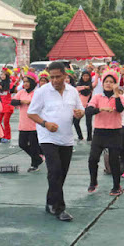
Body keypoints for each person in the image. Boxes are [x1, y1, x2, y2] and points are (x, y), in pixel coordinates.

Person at [27, 61, 85, 222]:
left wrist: (80, 113)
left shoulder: (72, 91)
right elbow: (31, 113)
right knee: (55, 171)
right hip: (47, 138)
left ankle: (50, 201)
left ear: (65, 75)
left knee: (61, 174)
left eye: (58, 77)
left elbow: (80, 110)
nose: (54, 80)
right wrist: (45, 124)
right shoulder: (42, 92)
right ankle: (60, 209)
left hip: (66, 138)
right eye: (51, 77)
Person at [86, 70, 124, 195]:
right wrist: (100, 109)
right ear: (102, 84)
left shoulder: (120, 97)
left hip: (114, 132)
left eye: (111, 82)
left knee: (114, 160)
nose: (108, 84)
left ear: (115, 84)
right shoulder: (97, 96)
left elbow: (120, 109)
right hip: (99, 132)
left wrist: (116, 93)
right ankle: (93, 182)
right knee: (92, 159)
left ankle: (116, 186)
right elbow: (89, 110)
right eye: (106, 82)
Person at [11, 72, 43, 172]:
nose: (25, 84)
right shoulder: (21, 92)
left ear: (32, 82)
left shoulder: (37, 93)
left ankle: (34, 164)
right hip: (23, 124)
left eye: (27, 82)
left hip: (34, 124)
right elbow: (13, 101)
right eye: (24, 82)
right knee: (22, 144)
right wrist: (22, 102)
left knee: (34, 146)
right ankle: (38, 158)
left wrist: (30, 102)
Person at [74, 71, 94, 141]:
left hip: (89, 105)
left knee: (88, 123)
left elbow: (92, 86)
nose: (85, 77)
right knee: (76, 122)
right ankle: (80, 136)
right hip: (80, 106)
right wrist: (85, 87)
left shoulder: (91, 84)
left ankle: (89, 137)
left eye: (87, 76)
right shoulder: (79, 84)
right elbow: (76, 88)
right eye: (84, 76)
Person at [0, 67, 16, 143]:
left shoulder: (10, 84)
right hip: (0, 105)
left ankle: (7, 137)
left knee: (6, 122)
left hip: (8, 105)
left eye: (4, 74)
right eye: (1, 74)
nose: (2, 76)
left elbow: (12, 90)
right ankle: (2, 135)